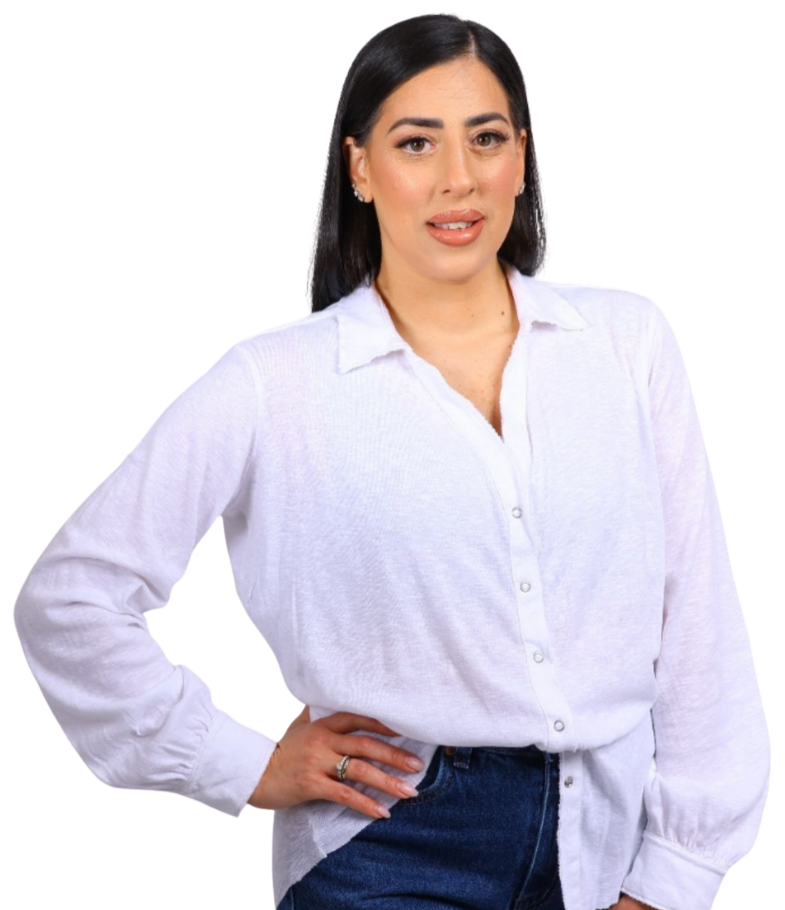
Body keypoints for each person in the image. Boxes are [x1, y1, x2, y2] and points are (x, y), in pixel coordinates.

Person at [12, 12, 769, 910]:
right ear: (360, 168)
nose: (458, 178)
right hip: (385, 839)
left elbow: (699, 618)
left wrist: (679, 869)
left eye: (485, 138)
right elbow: (72, 598)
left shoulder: (626, 339)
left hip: (605, 833)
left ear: (521, 156)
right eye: (416, 142)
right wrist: (240, 764)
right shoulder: (272, 382)